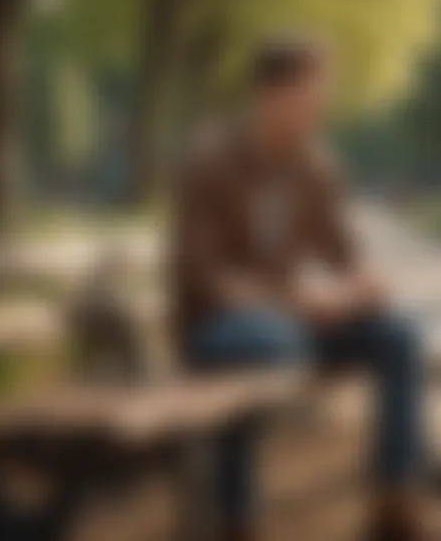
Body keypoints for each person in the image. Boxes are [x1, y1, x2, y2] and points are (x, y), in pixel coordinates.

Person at [172, 37, 425, 541]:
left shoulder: (315, 163)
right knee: (269, 343)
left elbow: (344, 253)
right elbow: (203, 278)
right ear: (270, 96)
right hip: (213, 326)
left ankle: (393, 499)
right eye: (311, 97)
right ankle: (235, 516)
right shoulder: (208, 159)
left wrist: (362, 285)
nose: (321, 109)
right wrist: (298, 305)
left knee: (400, 334)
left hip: (294, 323)